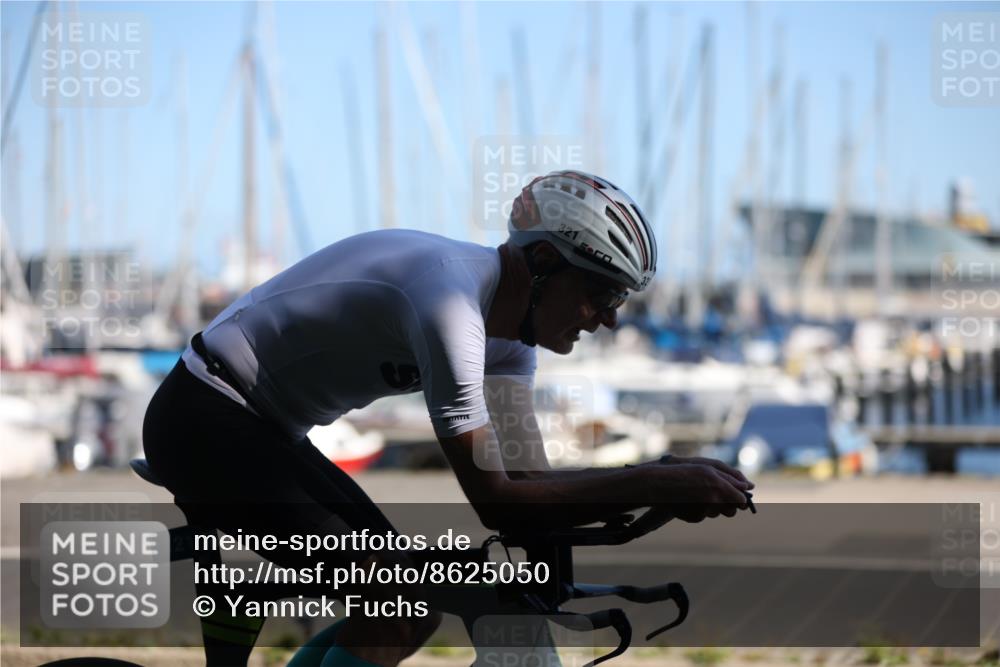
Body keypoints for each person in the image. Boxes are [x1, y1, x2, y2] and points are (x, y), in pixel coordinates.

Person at [141, 170, 754, 667]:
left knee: (409, 602)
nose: (608, 318)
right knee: (403, 599)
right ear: (542, 260)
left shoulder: (510, 340)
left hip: (261, 430)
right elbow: (498, 503)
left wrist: (662, 482)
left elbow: (530, 482)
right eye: (603, 293)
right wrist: (653, 480)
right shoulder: (451, 305)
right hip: (207, 420)